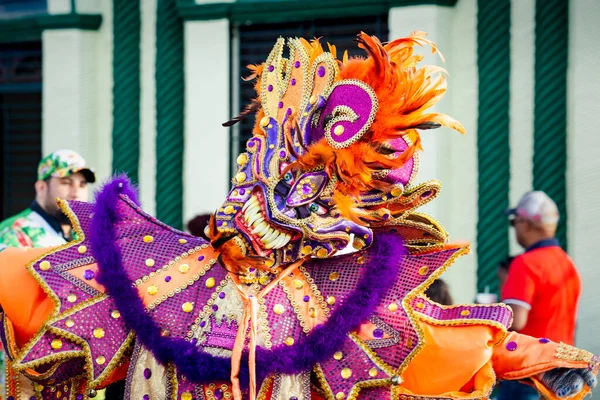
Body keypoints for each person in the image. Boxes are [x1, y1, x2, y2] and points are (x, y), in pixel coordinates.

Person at [0, 33, 597, 400]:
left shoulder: (337, 303)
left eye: (306, 186)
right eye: (262, 172)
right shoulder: (157, 271)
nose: (259, 200)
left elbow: (442, 341)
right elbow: (23, 279)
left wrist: (537, 357)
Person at [498, 191, 582, 400]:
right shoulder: (567, 264)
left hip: (527, 374)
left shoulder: (525, 263)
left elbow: (515, 320)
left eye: (514, 222)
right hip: (562, 374)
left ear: (524, 223)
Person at [0, 149, 96, 248]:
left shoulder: (93, 233)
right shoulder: (12, 232)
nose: (77, 193)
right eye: (66, 183)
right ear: (41, 187)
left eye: (82, 185)